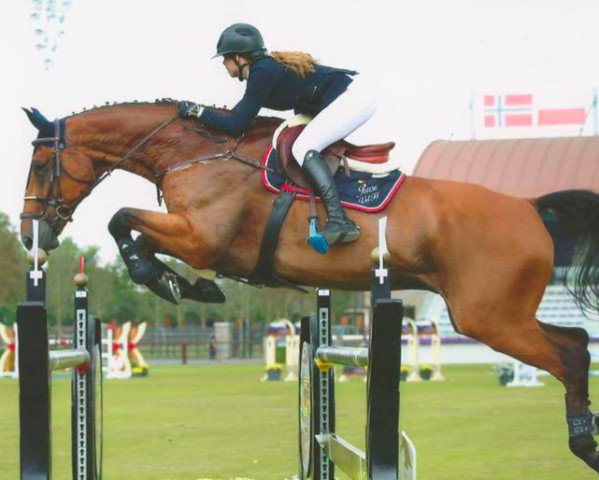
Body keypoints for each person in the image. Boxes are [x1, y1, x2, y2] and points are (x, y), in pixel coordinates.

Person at [177, 23, 377, 245]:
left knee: (302, 148)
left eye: (225, 58)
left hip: (354, 98)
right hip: (349, 97)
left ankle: (340, 220)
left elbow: (236, 123)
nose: (224, 64)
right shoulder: (264, 70)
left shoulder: (262, 72)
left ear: (238, 57)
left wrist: (198, 112)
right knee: (303, 143)